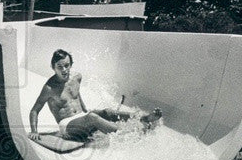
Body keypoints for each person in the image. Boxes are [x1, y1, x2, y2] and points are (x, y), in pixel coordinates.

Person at [28, 48, 162, 141]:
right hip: (67, 126)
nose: (64, 70)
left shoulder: (76, 77)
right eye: (59, 67)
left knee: (107, 112)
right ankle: (126, 134)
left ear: (71, 64)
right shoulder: (49, 88)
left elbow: (76, 95)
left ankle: (145, 118)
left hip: (82, 117)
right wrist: (34, 131)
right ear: (53, 67)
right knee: (92, 117)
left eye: (67, 65)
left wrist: (85, 109)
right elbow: (34, 110)